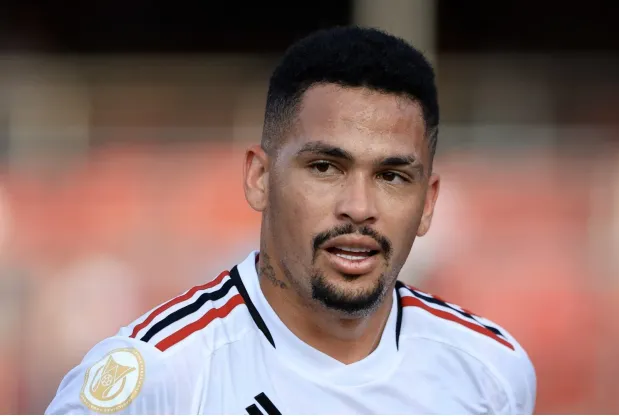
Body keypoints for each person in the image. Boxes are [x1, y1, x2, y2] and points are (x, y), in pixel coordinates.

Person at [46, 26, 536, 415]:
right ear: (259, 178)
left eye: (391, 176)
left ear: (428, 204)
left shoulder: (492, 371)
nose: (359, 206)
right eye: (325, 167)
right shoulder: (157, 378)